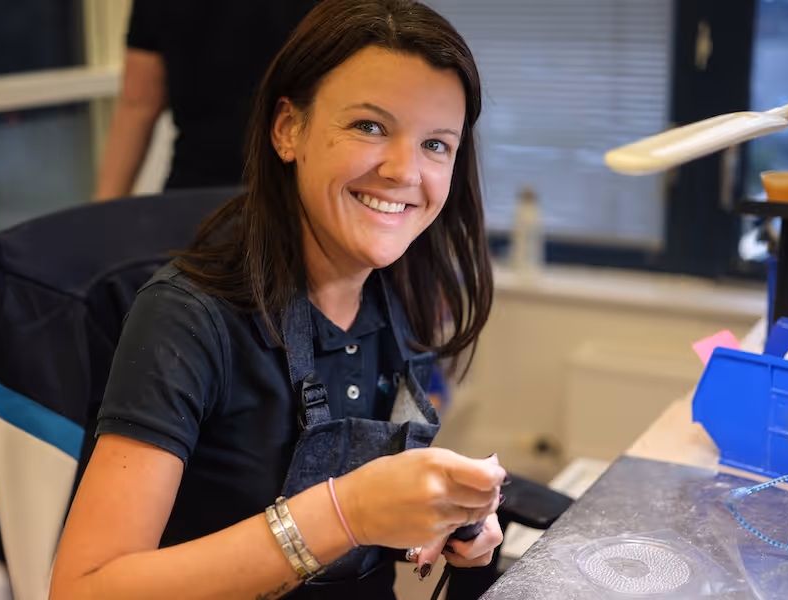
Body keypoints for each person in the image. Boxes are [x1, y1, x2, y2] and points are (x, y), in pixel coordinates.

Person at [48, 1, 500, 598]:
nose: (403, 170)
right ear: (288, 129)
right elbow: (83, 590)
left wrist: (450, 516)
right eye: (369, 126)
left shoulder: (403, 295)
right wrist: (344, 514)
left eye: (436, 144)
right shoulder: (186, 320)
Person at [93, 0, 318, 200]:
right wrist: (102, 219)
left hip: (198, 196)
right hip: (293, 192)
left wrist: (102, 213)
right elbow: (138, 103)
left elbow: (138, 104)